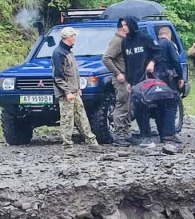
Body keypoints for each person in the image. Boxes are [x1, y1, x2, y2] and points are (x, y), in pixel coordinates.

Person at [52, 26, 99, 156]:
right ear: (69, 37)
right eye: (74, 36)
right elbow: (58, 77)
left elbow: (73, 73)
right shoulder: (59, 53)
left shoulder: (68, 51)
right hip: (66, 93)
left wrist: (77, 88)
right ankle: (67, 147)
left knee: (82, 117)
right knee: (67, 120)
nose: (76, 39)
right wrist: (67, 92)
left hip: (74, 92)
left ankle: (92, 142)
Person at [121, 16, 161, 146]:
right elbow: (127, 62)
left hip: (146, 78)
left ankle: (150, 136)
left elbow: (158, 52)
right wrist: (127, 81)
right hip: (133, 80)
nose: (123, 28)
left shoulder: (145, 38)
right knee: (137, 108)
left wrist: (152, 62)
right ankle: (144, 134)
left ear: (131, 25)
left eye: (125, 25)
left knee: (146, 107)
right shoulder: (125, 42)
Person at [102, 18, 132, 146]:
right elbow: (106, 58)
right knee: (122, 105)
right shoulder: (117, 41)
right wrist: (117, 73)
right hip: (121, 79)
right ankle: (119, 135)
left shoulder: (124, 41)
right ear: (122, 28)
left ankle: (126, 133)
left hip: (127, 78)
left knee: (128, 106)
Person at [156, 26, 184, 143]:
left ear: (159, 35)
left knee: (159, 106)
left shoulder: (155, 45)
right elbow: (175, 61)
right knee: (172, 104)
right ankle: (169, 134)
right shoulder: (169, 44)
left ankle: (162, 134)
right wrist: (181, 76)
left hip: (155, 80)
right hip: (168, 78)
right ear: (169, 35)